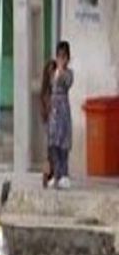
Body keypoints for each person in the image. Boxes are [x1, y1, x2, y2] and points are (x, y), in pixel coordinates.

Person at [48, 41, 74, 189]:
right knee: (53, 143)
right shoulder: (53, 71)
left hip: (63, 108)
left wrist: (62, 71)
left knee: (63, 143)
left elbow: (67, 82)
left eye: (64, 56)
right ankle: (56, 174)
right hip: (54, 110)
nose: (61, 59)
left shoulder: (69, 73)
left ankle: (64, 175)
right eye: (59, 56)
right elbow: (50, 83)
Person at [39, 59, 57, 187]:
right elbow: (44, 108)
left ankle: (54, 174)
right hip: (50, 122)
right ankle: (47, 175)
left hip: (57, 122)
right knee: (50, 151)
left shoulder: (57, 88)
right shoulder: (45, 90)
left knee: (55, 151)